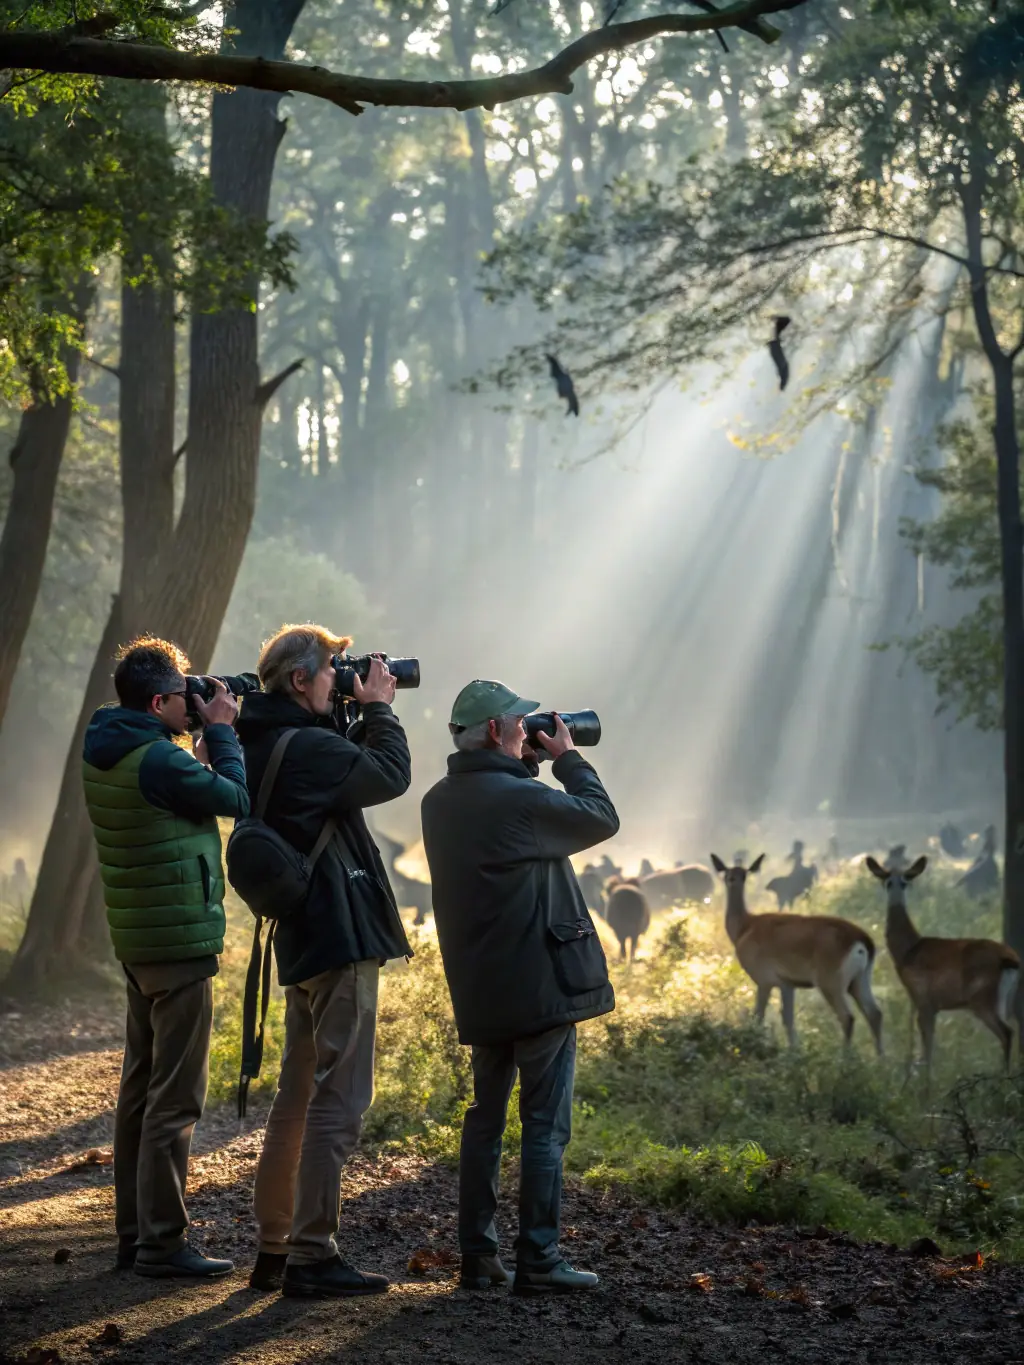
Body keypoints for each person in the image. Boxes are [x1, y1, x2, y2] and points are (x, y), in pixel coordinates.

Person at [420, 680, 620, 1296]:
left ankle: (477, 1256)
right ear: (493, 731)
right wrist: (566, 758)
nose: (530, 726)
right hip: (540, 985)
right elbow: (600, 819)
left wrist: (523, 760)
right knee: (543, 1125)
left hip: (483, 987)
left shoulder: (438, 800)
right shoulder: (520, 800)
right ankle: (540, 1258)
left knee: (485, 1120)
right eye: (520, 721)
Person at [236, 625, 412, 1300]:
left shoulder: (262, 739)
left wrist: (347, 710)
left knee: (298, 1094)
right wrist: (379, 708)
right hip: (339, 934)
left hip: (302, 935)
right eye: (334, 669)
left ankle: (276, 1245)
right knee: (340, 1094)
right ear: (299, 681)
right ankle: (313, 1252)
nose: (343, 677)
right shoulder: (308, 746)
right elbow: (388, 775)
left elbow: (340, 775)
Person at [82, 636, 250, 1278]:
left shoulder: (109, 746)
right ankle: (162, 1243)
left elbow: (174, 788)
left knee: (139, 1091)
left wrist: (195, 741)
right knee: (175, 1098)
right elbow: (236, 799)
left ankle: (134, 1234)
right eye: (184, 693)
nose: (194, 700)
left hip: (139, 939)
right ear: (158, 701)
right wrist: (224, 735)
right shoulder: (157, 759)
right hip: (177, 943)